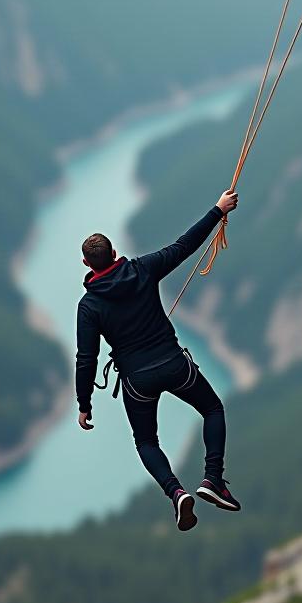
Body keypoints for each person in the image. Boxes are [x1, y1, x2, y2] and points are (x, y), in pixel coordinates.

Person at [75, 190, 242, 531]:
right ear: (115, 254)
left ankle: (177, 493)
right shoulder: (143, 269)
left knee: (147, 442)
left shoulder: (89, 307)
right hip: (174, 365)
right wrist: (218, 209)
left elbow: (86, 358)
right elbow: (184, 246)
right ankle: (213, 479)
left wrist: (84, 403)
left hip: (138, 382)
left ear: (87, 265)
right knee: (212, 409)